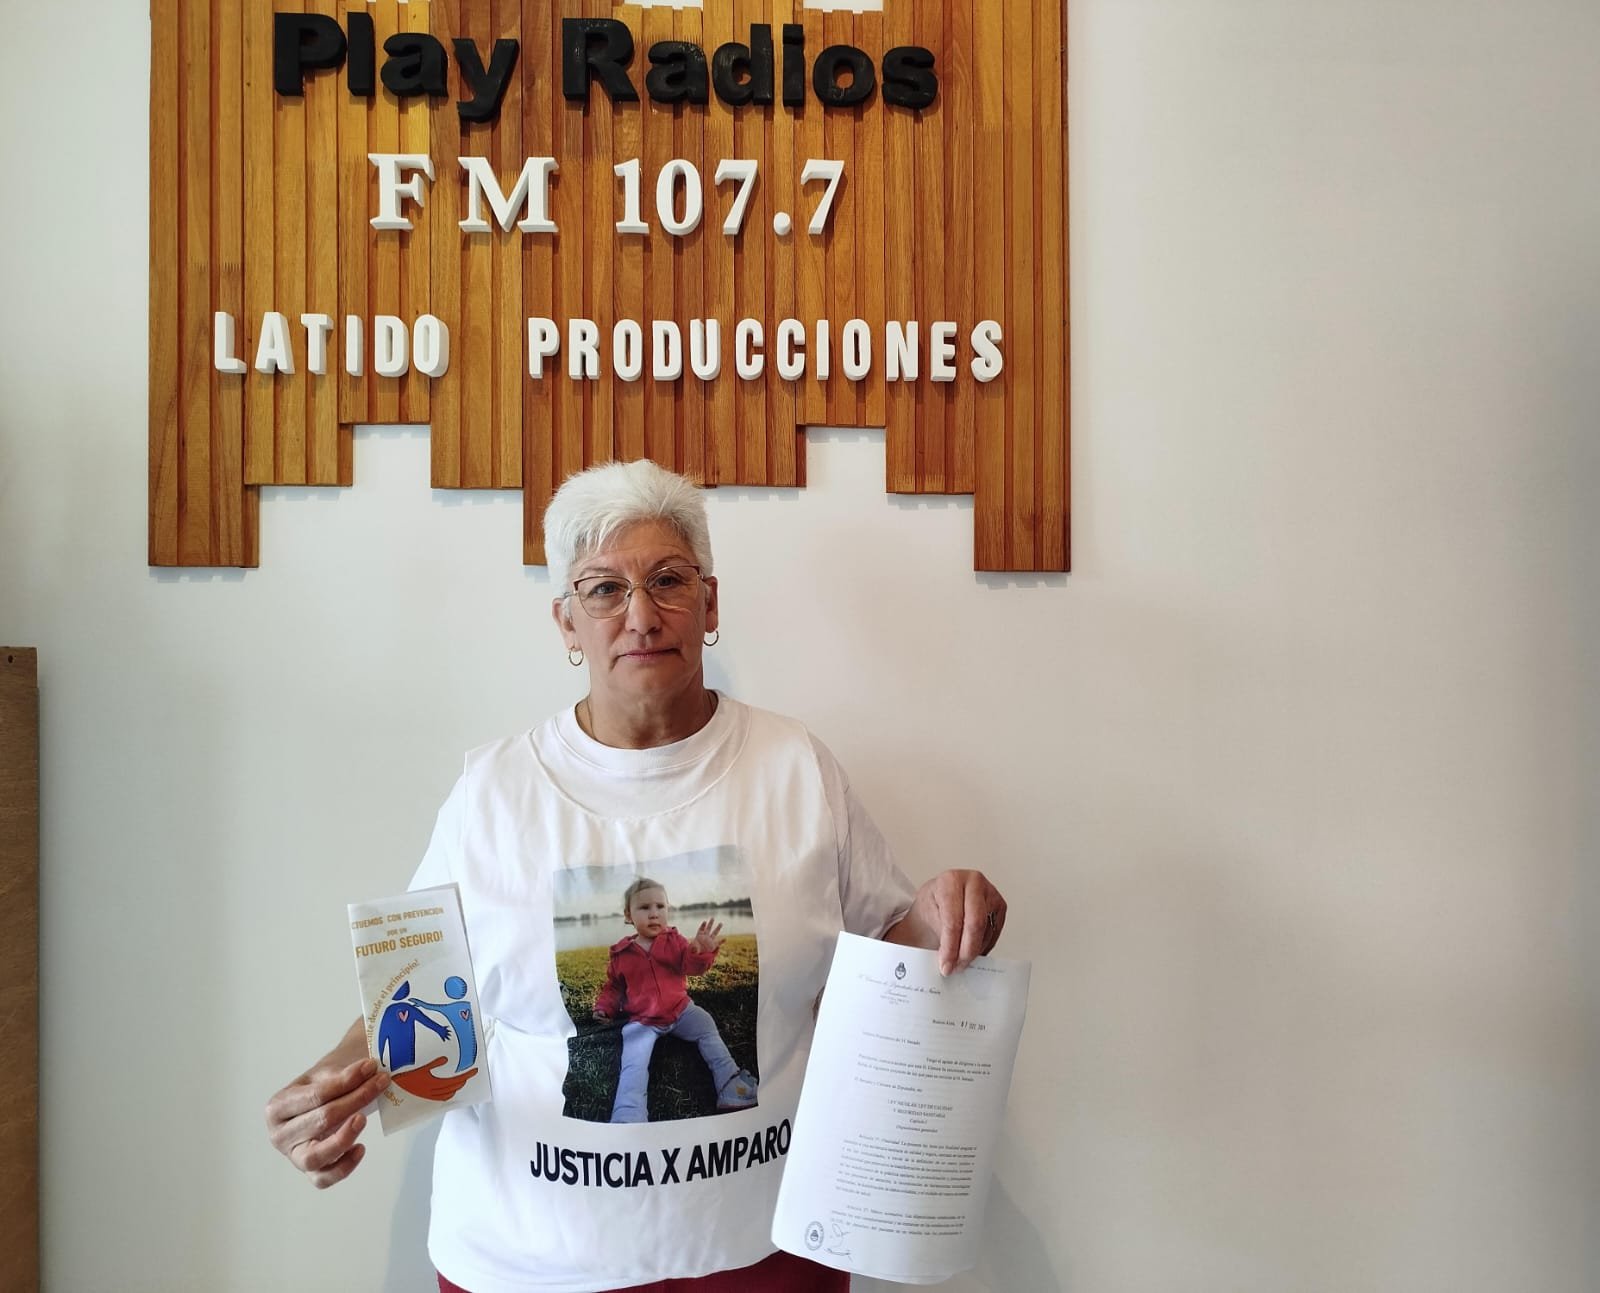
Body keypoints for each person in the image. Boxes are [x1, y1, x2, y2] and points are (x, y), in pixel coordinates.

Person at [264, 459, 1009, 1293]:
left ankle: (723, 1077)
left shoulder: (797, 767)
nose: (642, 615)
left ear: (710, 603)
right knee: (626, 1063)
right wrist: (336, 1088)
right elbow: (415, 998)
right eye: (604, 590)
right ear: (566, 622)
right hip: (528, 1266)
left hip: (766, 1255)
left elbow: (883, 966)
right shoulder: (491, 793)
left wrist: (939, 917)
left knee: (708, 1034)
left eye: (668, 581)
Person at [592, 877, 758, 1122]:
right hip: (643, 1021)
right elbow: (614, 987)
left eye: (660, 906)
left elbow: (692, 966)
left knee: (706, 1025)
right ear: (628, 915)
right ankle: (628, 1114)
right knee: (633, 1063)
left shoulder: (675, 942)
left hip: (680, 1011)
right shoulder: (622, 954)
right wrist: (604, 1007)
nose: (654, 913)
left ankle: (731, 1085)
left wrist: (700, 952)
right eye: (644, 907)